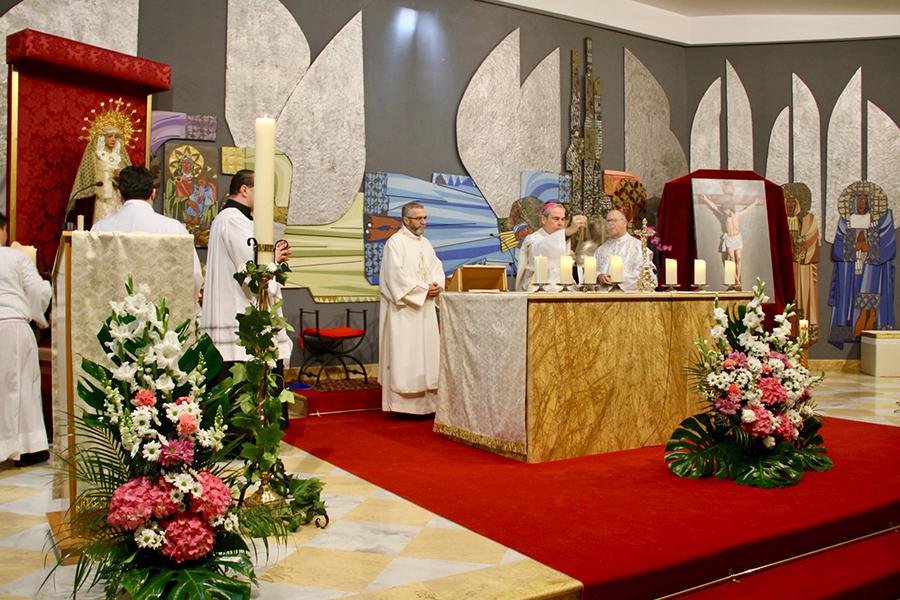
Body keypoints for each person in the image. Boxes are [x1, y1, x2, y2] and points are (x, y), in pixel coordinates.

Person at [200, 170, 292, 385]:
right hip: (239, 319)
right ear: (244, 190)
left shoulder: (227, 219)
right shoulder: (234, 221)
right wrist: (275, 260)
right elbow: (252, 274)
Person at [91, 166, 203, 301]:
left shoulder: (101, 228)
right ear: (153, 193)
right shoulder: (174, 229)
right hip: (162, 314)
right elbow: (194, 275)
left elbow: (91, 275)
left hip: (114, 315)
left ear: (120, 194)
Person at [378, 201, 445, 415]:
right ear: (406, 220)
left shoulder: (426, 244)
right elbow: (395, 278)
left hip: (424, 310)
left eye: (425, 218)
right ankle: (402, 406)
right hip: (405, 311)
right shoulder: (395, 243)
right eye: (418, 218)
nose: (423, 222)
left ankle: (429, 405)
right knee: (407, 356)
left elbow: (436, 268)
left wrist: (436, 285)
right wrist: (424, 290)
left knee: (428, 355)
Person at [0, 213, 52, 466]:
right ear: (3, 230)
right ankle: (30, 447)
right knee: (21, 387)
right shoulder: (15, 256)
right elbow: (37, 290)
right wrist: (40, 316)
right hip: (12, 325)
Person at [514, 203, 587, 290]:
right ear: (544, 219)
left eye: (563, 219)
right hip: (539, 291)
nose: (560, 223)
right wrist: (567, 232)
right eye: (556, 219)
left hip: (565, 291)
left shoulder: (563, 239)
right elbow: (542, 249)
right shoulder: (533, 240)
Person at [69, 126, 132, 226]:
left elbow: (129, 175)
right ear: (103, 138)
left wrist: (119, 177)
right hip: (102, 196)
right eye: (110, 136)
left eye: (115, 137)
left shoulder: (119, 157)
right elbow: (87, 174)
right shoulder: (96, 155)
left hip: (118, 196)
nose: (113, 139)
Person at [700, 192, 762, 289]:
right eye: (724, 210)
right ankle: (736, 279)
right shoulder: (724, 216)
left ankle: (737, 277)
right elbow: (715, 208)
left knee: (739, 258)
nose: (725, 212)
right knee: (732, 258)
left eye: (726, 210)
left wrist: (755, 202)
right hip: (729, 239)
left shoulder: (736, 214)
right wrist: (706, 200)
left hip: (737, 238)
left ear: (730, 209)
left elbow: (747, 209)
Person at [594, 209, 653, 291]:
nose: (610, 223)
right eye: (608, 221)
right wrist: (598, 276)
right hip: (602, 299)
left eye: (614, 220)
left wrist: (618, 280)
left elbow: (646, 276)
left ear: (625, 223)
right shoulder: (600, 250)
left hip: (627, 299)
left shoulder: (638, 247)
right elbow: (590, 271)